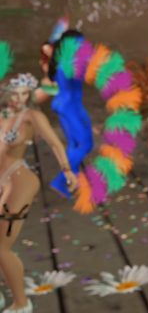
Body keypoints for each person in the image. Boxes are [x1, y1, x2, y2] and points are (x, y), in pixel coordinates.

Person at [0, 73, 77, 313]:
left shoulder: (32, 117)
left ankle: (21, 303)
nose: (20, 98)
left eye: (25, 94)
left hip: (19, 180)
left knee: (0, 246)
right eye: (16, 93)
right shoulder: (2, 115)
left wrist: (67, 171)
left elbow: (55, 143)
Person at [41, 31, 92, 198]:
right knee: (85, 144)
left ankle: (70, 183)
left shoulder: (62, 61)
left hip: (66, 104)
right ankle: (60, 180)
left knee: (73, 144)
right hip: (69, 106)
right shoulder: (69, 64)